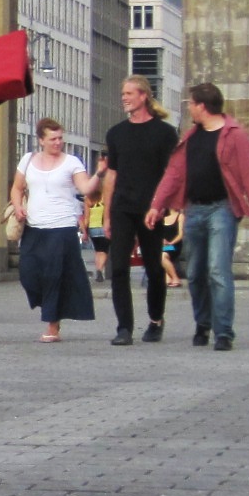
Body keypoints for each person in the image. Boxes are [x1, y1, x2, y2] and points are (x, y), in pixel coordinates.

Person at [145, 81, 249, 352]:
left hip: (222, 208)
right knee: (197, 271)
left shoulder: (235, 134)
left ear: (202, 105)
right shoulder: (191, 137)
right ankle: (203, 323)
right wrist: (157, 205)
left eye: (191, 103)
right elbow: (174, 173)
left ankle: (224, 332)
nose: (189, 108)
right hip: (194, 209)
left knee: (217, 270)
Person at [100, 75, 180, 345]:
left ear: (143, 96)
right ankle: (124, 328)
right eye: (123, 93)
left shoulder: (164, 133)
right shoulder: (116, 133)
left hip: (151, 209)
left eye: (129, 93)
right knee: (119, 266)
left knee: (154, 268)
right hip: (123, 207)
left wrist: (163, 205)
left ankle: (156, 320)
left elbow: (171, 174)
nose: (124, 98)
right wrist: (107, 214)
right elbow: (111, 176)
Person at [10, 117, 97, 343]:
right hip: (34, 226)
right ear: (41, 140)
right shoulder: (28, 160)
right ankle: (50, 306)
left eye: (60, 138)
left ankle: (52, 324)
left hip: (62, 227)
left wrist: (100, 173)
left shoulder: (72, 162)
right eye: (53, 139)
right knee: (28, 273)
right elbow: (17, 188)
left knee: (54, 276)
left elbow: (85, 187)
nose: (58, 143)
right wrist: (18, 207)